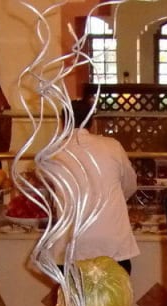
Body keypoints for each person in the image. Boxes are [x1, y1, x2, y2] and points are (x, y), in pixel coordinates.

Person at [38, 99, 138, 273]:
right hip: (112, 244)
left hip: (70, 246)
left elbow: (49, 191)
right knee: (116, 291)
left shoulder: (52, 153)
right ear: (92, 122)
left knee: (73, 292)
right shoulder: (112, 146)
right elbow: (130, 186)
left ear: (63, 122)